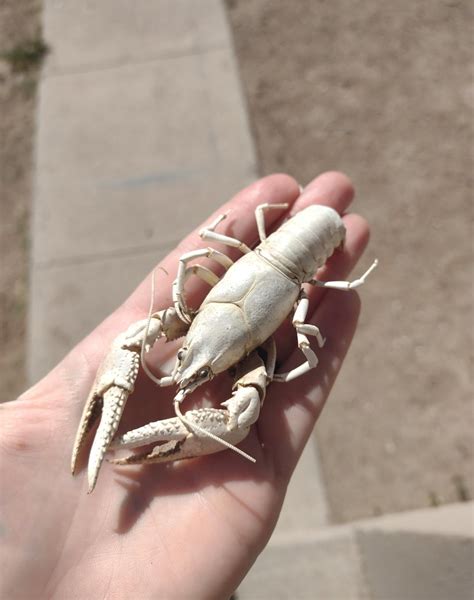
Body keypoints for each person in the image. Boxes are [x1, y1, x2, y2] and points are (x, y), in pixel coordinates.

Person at [0, 171, 370, 599]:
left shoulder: (251, 336)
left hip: (309, 243)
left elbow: (239, 417)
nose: (185, 378)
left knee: (242, 412)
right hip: (275, 260)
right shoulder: (207, 328)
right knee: (147, 344)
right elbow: (140, 330)